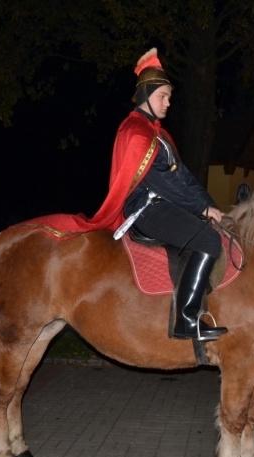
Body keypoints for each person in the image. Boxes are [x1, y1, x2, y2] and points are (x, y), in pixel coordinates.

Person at [89, 48, 227, 342]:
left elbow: (184, 178)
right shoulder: (136, 131)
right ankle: (187, 320)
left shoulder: (159, 135)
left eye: (169, 96)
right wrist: (201, 210)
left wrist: (210, 206)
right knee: (208, 239)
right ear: (146, 94)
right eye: (163, 95)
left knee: (213, 230)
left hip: (163, 203)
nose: (168, 102)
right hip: (145, 209)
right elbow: (163, 182)